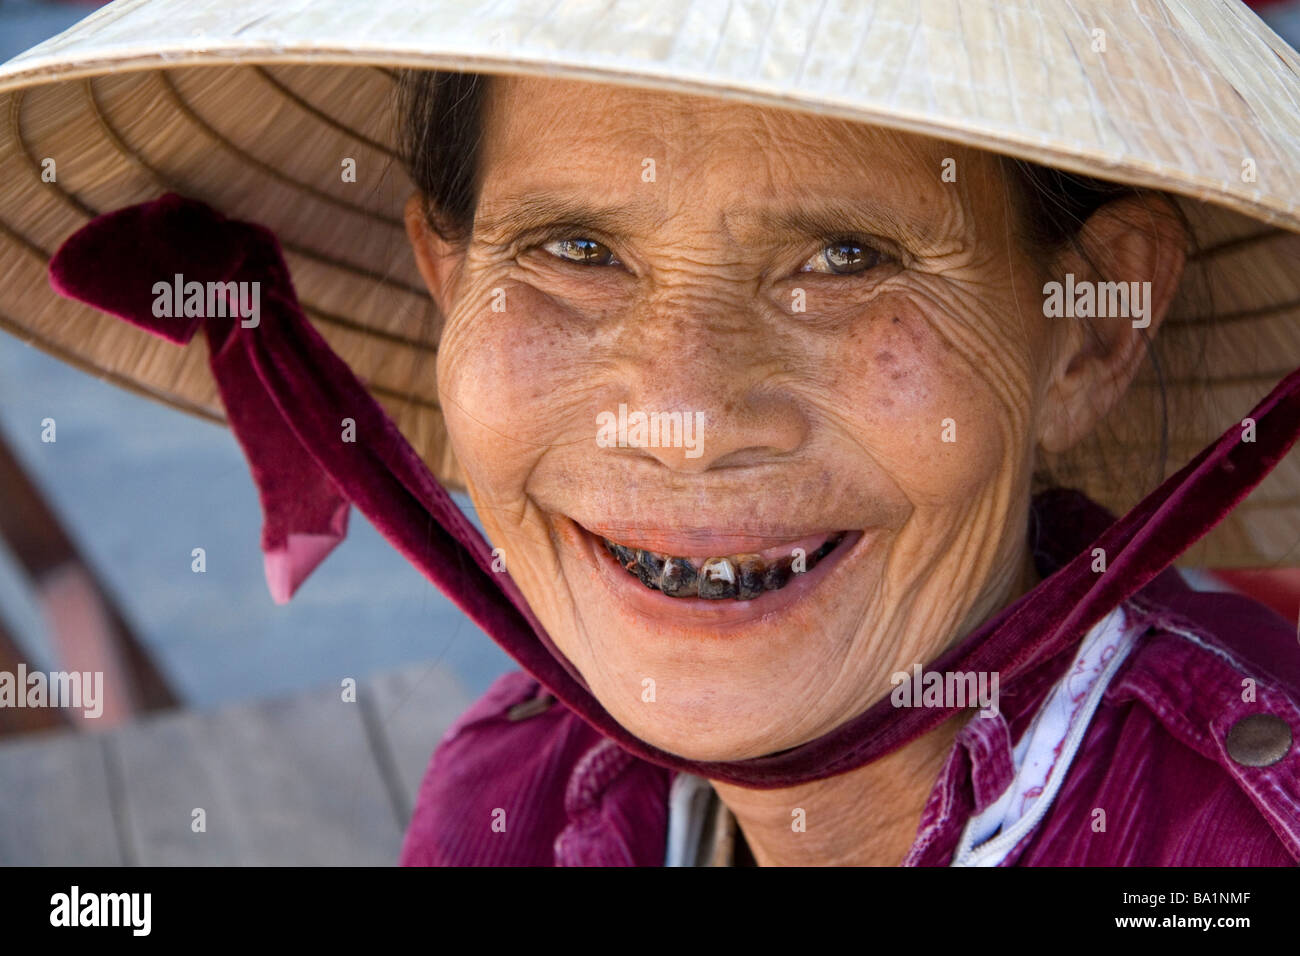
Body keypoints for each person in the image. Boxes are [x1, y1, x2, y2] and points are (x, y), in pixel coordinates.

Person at [1, 0, 1297, 866]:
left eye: (846, 257)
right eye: (574, 250)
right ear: (447, 287)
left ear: (1088, 333)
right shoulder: (524, 781)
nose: (682, 418)